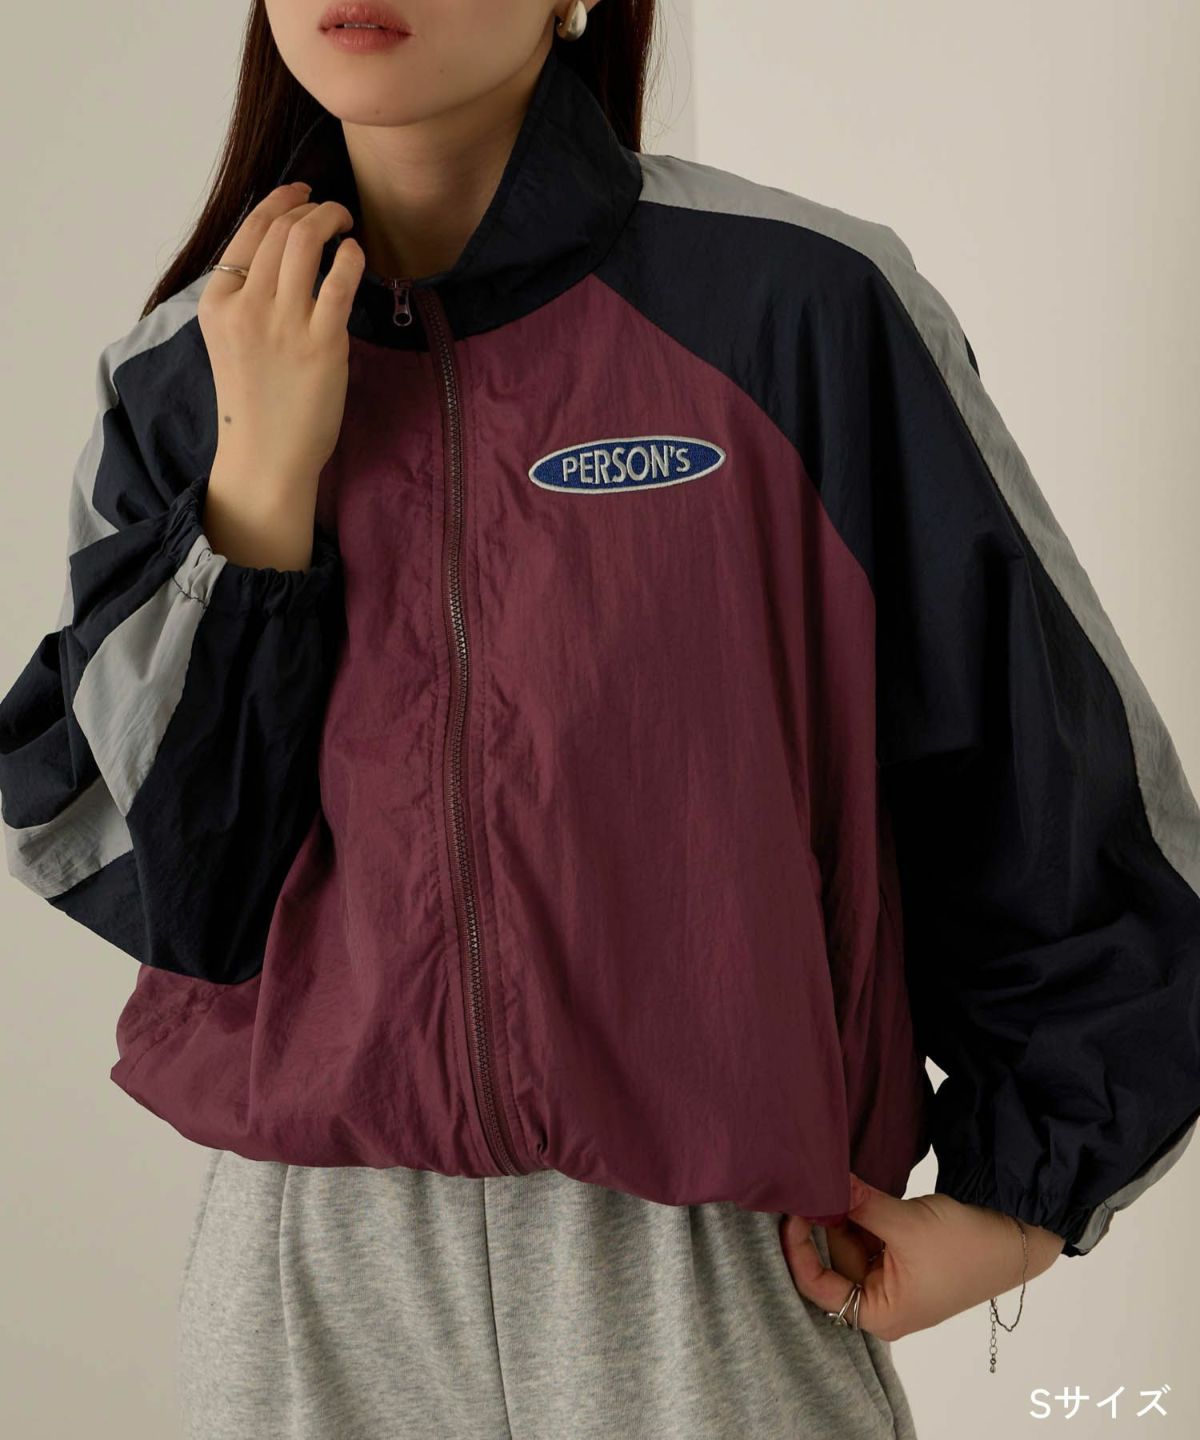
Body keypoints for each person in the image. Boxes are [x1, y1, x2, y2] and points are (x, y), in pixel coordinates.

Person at [2, 1, 1198, 1436]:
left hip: (706, 1281)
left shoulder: (797, 307)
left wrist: (1017, 1203)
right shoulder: (180, 380)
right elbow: (163, 888)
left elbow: (1048, 772)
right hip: (305, 1290)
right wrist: (258, 480)